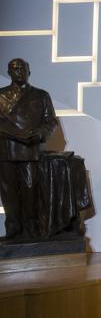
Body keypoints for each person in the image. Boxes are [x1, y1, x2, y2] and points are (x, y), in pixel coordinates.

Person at [0, 58, 57, 239]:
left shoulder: (41, 95)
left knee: (30, 190)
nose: (19, 72)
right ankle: (13, 227)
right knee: (8, 192)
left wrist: (40, 134)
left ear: (29, 71)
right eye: (15, 69)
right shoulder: (0, 95)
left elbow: (50, 121)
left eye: (23, 69)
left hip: (29, 150)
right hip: (6, 151)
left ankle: (31, 226)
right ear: (9, 72)